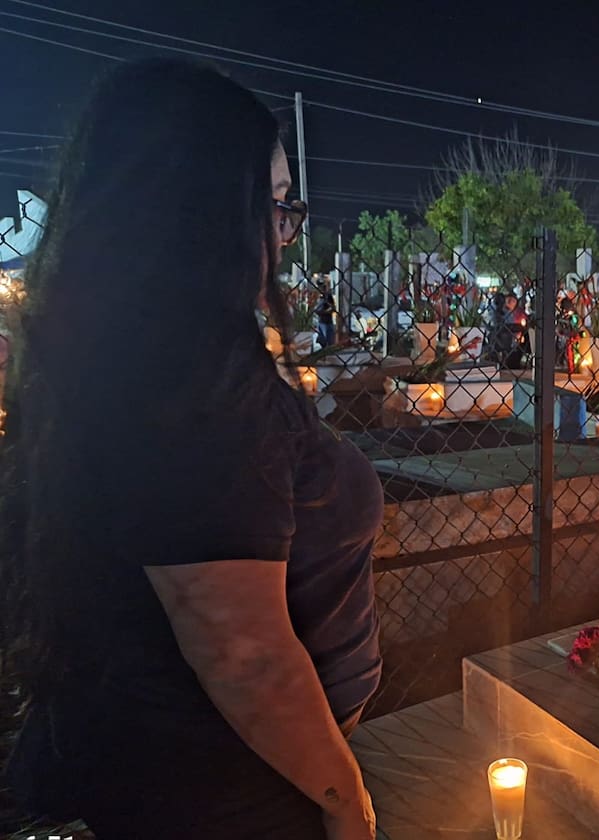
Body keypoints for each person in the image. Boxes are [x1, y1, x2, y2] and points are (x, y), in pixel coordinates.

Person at [1, 60, 380, 840]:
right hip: (224, 790)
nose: (282, 232)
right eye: (272, 205)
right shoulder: (192, 384)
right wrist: (347, 804)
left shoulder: (108, 347)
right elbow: (241, 651)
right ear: (198, 212)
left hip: (162, 763)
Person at [314, 280, 336, 349]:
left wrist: (324, 312)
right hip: (321, 321)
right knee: (322, 340)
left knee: (328, 339)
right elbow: (316, 309)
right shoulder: (319, 297)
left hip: (327, 321)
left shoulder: (328, 296)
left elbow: (332, 308)